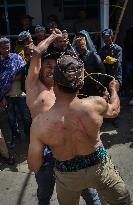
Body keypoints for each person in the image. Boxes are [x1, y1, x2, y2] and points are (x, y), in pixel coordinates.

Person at [28, 54, 133, 205]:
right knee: (123, 202)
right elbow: (115, 110)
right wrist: (114, 89)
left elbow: (34, 165)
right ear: (81, 83)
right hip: (99, 169)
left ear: (55, 83)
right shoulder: (95, 104)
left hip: (67, 177)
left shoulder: (39, 124)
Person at [26, 30, 102, 205]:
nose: (52, 70)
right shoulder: (33, 87)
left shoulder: (63, 88)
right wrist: (53, 36)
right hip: (45, 152)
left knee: (89, 192)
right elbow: (38, 53)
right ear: (40, 68)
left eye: (56, 67)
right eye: (48, 66)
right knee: (44, 194)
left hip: (69, 149)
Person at [0, 37, 31, 147]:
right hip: (7, 96)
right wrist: (1, 98)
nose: (6, 50)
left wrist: (6, 78)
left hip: (20, 94)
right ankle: (16, 137)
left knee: (26, 117)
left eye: (7, 48)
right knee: (11, 119)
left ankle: (29, 136)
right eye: (3, 48)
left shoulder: (17, 58)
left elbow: (22, 74)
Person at [73, 30, 105, 97]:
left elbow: (102, 69)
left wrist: (99, 83)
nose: (79, 49)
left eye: (81, 46)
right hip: (82, 87)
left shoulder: (93, 55)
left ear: (86, 45)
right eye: (77, 47)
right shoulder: (77, 58)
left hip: (93, 86)